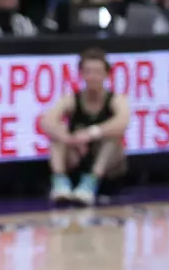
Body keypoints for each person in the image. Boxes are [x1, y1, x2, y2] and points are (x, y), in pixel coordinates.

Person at [39, 47, 130, 206]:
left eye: (97, 72)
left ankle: (91, 181)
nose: (92, 77)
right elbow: (46, 121)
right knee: (57, 130)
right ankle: (60, 182)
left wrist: (91, 133)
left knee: (114, 135)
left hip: (106, 165)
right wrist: (68, 138)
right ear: (81, 74)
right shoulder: (72, 99)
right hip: (78, 159)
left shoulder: (116, 99)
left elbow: (123, 122)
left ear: (106, 74)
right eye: (88, 72)